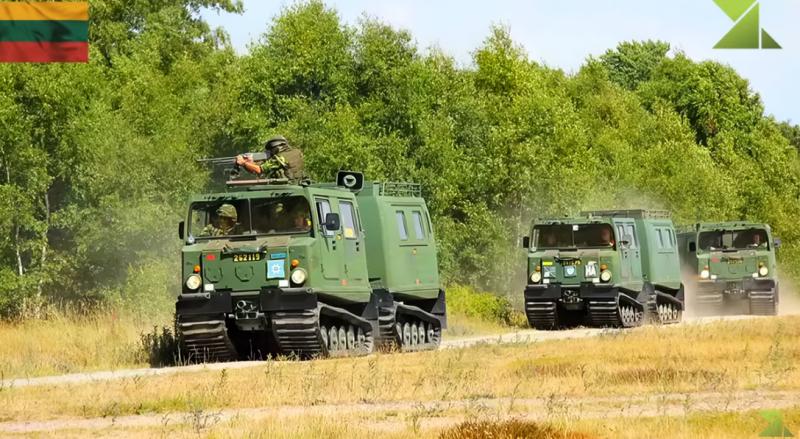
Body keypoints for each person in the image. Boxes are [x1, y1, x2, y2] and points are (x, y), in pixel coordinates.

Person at [235, 135, 304, 180]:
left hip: (284, 188)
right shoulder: (297, 152)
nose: (271, 152)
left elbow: (259, 170)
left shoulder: (280, 158)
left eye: (271, 150)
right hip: (297, 183)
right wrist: (250, 163)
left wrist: (243, 163)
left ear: (276, 147)